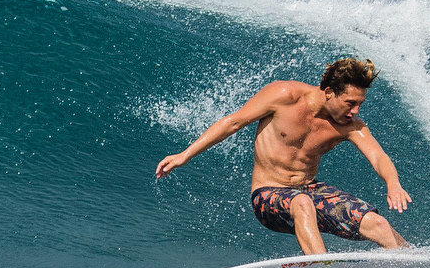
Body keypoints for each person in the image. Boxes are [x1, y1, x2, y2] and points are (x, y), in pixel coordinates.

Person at [154, 57, 411, 255]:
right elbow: (233, 123)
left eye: (360, 104)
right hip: (268, 194)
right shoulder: (284, 96)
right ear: (329, 92)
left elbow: (379, 158)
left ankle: (417, 267)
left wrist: (393, 183)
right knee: (301, 203)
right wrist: (184, 155)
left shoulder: (350, 125)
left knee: (376, 223)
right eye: (350, 103)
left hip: (309, 189)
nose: (355, 111)